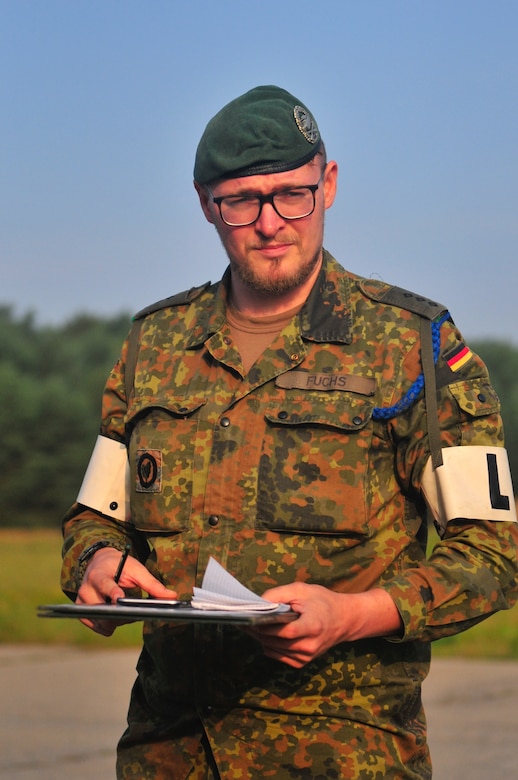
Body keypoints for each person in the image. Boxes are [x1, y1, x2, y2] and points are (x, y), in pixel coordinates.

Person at [61, 85, 518, 779]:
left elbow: (495, 551)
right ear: (205, 203)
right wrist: (96, 565)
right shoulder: (154, 345)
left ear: (327, 184)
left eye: (292, 194)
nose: (271, 222)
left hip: (344, 751)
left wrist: (355, 614)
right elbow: (96, 517)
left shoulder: (413, 345)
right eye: (241, 200)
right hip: (170, 750)